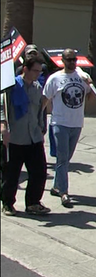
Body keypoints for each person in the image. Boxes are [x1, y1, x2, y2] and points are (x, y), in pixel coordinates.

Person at [42, 49, 96, 208]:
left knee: (65, 159)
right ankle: (64, 192)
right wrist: (38, 119)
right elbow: (44, 99)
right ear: (62, 61)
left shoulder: (80, 77)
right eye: (69, 59)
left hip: (76, 124)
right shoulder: (55, 78)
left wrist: (90, 83)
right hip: (60, 123)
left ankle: (56, 186)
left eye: (74, 59)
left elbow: (90, 96)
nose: (72, 62)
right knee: (63, 158)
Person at [1, 56, 51, 216]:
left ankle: (33, 203)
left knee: (39, 171)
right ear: (25, 69)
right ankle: (7, 203)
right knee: (11, 174)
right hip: (15, 137)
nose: (38, 74)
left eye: (40, 71)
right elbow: (2, 106)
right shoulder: (11, 86)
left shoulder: (37, 88)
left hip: (34, 137)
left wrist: (41, 127)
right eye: (35, 71)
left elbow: (39, 110)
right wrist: (2, 126)